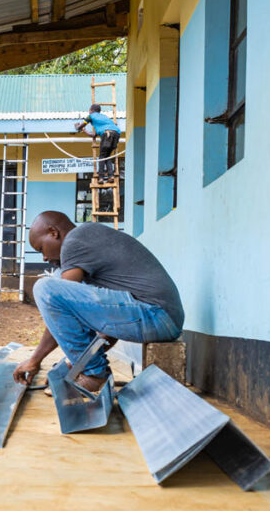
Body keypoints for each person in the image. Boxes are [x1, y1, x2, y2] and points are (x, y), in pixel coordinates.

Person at [13, 211, 184, 392]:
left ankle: (94, 374)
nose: (44, 258)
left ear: (53, 233)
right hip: (163, 319)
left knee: (45, 288)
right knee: (56, 281)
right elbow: (109, 325)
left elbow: (57, 305)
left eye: (41, 249)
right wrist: (76, 362)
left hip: (155, 315)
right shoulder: (88, 240)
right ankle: (90, 369)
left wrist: (35, 360)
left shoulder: (74, 242)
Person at [75, 104, 120, 183]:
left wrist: (77, 126)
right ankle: (111, 176)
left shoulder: (91, 116)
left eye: (89, 110)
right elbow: (93, 135)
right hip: (116, 134)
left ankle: (101, 178)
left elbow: (80, 126)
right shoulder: (104, 118)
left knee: (102, 156)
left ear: (91, 110)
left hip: (107, 134)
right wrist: (85, 131)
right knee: (107, 157)